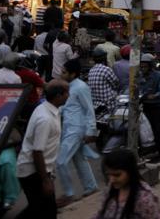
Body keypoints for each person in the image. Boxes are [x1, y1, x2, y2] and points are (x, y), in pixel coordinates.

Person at [16, 80, 70, 219]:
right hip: (33, 172)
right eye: (66, 93)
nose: (68, 96)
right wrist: (45, 180)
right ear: (58, 95)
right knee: (43, 211)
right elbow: (37, 151)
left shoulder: (49, 109)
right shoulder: (45, 118)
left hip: (40, 171)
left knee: (40, 209)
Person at [56, 58, 99, 207]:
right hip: (69, 128)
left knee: (61, 161)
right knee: (79, 159)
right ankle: (91, 187)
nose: (61, 74)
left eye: (64, 72)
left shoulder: (81, 87)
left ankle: (68, 194)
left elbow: (89, 110)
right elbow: (66, 108)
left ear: (73, 74)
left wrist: (91, 130)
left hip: (76, 129)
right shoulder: (68, 87)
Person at [94, 149, 160, 219]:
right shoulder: (110, 190)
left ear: (130, 172)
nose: (111, 180)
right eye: (108, 174)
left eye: (117, 175)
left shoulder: (144, 199)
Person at [138, 54, 160, 159]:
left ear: (150, 66)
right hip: (142, 106)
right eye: (141, 67)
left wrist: (154, 96)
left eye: (144, 67)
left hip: (154, 106)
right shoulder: (139, 75)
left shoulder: (157, 76)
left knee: (157, 130)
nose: (142, 69)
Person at [88, 48, 120, 123]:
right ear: (104, 58)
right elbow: (116, 84)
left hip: (95, 104)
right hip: (108, 104)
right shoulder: (106, 69)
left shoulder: (91, 70)